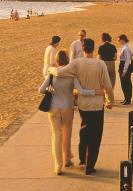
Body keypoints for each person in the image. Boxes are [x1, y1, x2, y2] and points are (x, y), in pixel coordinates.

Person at [47, 38, 114, 175]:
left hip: (83, 105)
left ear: (82, 48)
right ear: (94, 48)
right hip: (97, 105)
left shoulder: (77, 63)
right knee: (96, 136)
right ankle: (90, 165)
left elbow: (60, 72)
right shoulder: (100, 64)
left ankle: (82, 159)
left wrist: (50, 68)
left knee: (84, 131)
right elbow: (107, 85)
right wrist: (109, 100)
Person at [117, 34, 133, 105]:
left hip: (124, 66)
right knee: (124, 83)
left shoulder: (126, 48)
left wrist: (124, 71)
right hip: (123, 65)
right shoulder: (125, 47)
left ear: (122, 40)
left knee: (126, 83)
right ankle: (126, 98)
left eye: (119, 40)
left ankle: (128, 99)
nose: (118, 41)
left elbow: (127, 60)